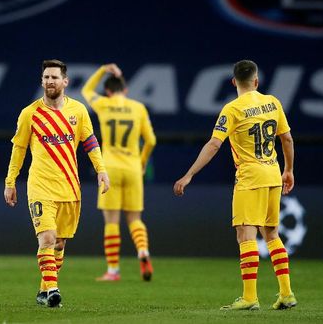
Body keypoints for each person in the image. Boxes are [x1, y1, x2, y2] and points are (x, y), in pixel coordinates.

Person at [173, 60, 297, 310]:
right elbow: (287, 138)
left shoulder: (232, 109)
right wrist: (289, 170)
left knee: (245, 234)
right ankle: (286, 293)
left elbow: (214, 145)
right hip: (273, 173)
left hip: (250, 178)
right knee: (272, 233)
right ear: (257, 81)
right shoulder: (273, 102)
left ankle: (250, 298)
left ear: (233, 82)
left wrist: (189, 174)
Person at [4, 59, 110, 308]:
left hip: (70, 187)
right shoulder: (29, 114)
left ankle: (43, 290)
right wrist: (11, 181)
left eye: (54, 77)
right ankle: (53, 290)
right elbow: (18, 150)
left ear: (65, 81)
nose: (49, 81)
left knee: (60, 243)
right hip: (40, 186)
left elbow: (90, 142)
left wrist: (101, 170)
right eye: (46, 77)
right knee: (48, 238)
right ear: (41, 81)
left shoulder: (78, 111)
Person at [81, 63, 156, 282]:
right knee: (135, 219)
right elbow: (151, 140)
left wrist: (103, 69)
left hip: (110, 168)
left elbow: (86, 90)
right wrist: (142, 163)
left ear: (107, 91)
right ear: (125, 90)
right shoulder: (138, 108)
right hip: (133, 168)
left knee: (111, 222)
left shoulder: (103, 104)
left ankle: (113, 270)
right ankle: (142, 251)